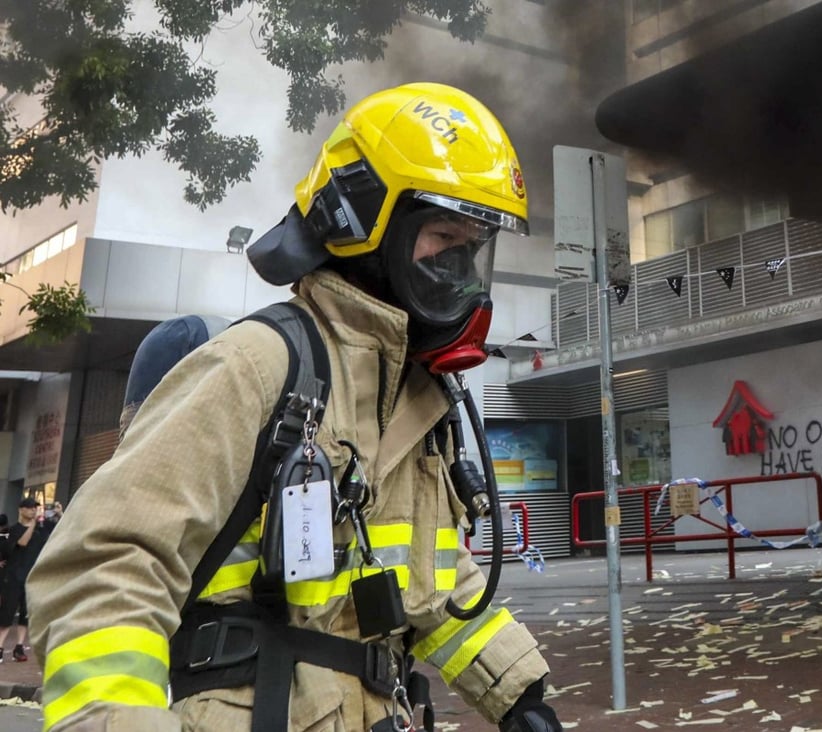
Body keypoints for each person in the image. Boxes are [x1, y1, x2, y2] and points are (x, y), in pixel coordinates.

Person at [27, 83, 562, 732]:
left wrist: (519, 697)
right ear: (363, 222)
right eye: (443, 233)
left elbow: (433, 581)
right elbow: (106, 563)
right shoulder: (256, 365)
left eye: (472, 245)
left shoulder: (416, 401)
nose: (460, 266)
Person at [1, 497, 50, 664]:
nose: (33, 510)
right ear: (21, 510)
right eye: (29, 508)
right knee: (7, 615)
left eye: (35, 508)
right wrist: (32, 524)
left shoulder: (40, 530)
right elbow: (22, 543)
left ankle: (19, 646)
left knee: (25, 615)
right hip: (13, 578)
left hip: (31, 578)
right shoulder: (13, 530)